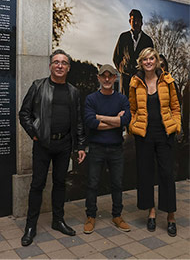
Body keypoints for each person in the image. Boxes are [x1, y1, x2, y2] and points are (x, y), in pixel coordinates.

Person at [19, 49, 86, 246]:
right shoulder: (38, 86)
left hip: (64, 145)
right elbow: (24, 114)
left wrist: (80, 145)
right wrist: (34, 134)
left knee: (59, 183)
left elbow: (79, 121)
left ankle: (58, 221)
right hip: (42, 145)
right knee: (37, 185)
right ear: (50, 66)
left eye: (63, 63)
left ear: (68, 68)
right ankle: (30, 227)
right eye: (56, 62)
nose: (59, 65)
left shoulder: (73, 92)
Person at [129, 47, 181, 237]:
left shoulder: (167, 80)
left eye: (152, 58)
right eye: (145, 59)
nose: (149, 62)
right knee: (146, 174)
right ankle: (151, 212)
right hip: (144, 135)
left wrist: (176, 125)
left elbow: (176, 107)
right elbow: (132, 108)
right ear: (141, 62)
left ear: (157, 61)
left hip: (164, 134)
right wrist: (133, 126)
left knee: (167, 174)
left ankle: (170, 217)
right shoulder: (135, 82)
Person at [83, 64, 131, 234]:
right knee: (92, 184)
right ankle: (91, 216)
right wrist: (114, 121)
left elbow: (125, 121)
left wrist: (100, 118)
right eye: (103, 76)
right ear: (99, 78)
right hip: (96, 148)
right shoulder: (91, 99)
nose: (107, 79)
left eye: (110, 76)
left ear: (115, 77)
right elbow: (90, 123)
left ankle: (117, 216)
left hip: (116, 148)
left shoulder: (122, 99)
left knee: (117, 184)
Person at [113, 9, 154, 97]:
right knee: (125, 107)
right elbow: (116, 57)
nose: (136, 23)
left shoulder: (148, 41)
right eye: (133, 20)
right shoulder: (123, 37)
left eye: (138, 20)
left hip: (141, 81)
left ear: (142, 22)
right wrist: (123, 70)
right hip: (125, 81)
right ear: (129, 21)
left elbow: (151, 62)